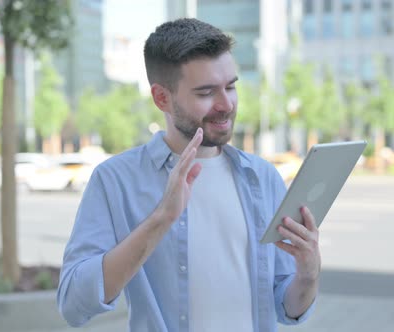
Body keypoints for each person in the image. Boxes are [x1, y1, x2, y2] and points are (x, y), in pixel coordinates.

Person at [57, 18, 321, 332]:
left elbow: (286, 306)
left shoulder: (263, 177)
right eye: (206, 92)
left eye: (231, 86)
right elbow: (73, 304)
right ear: (161, 98)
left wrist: (308, 276)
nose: (226, 104)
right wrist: (161, 219)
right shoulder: (115, 181)